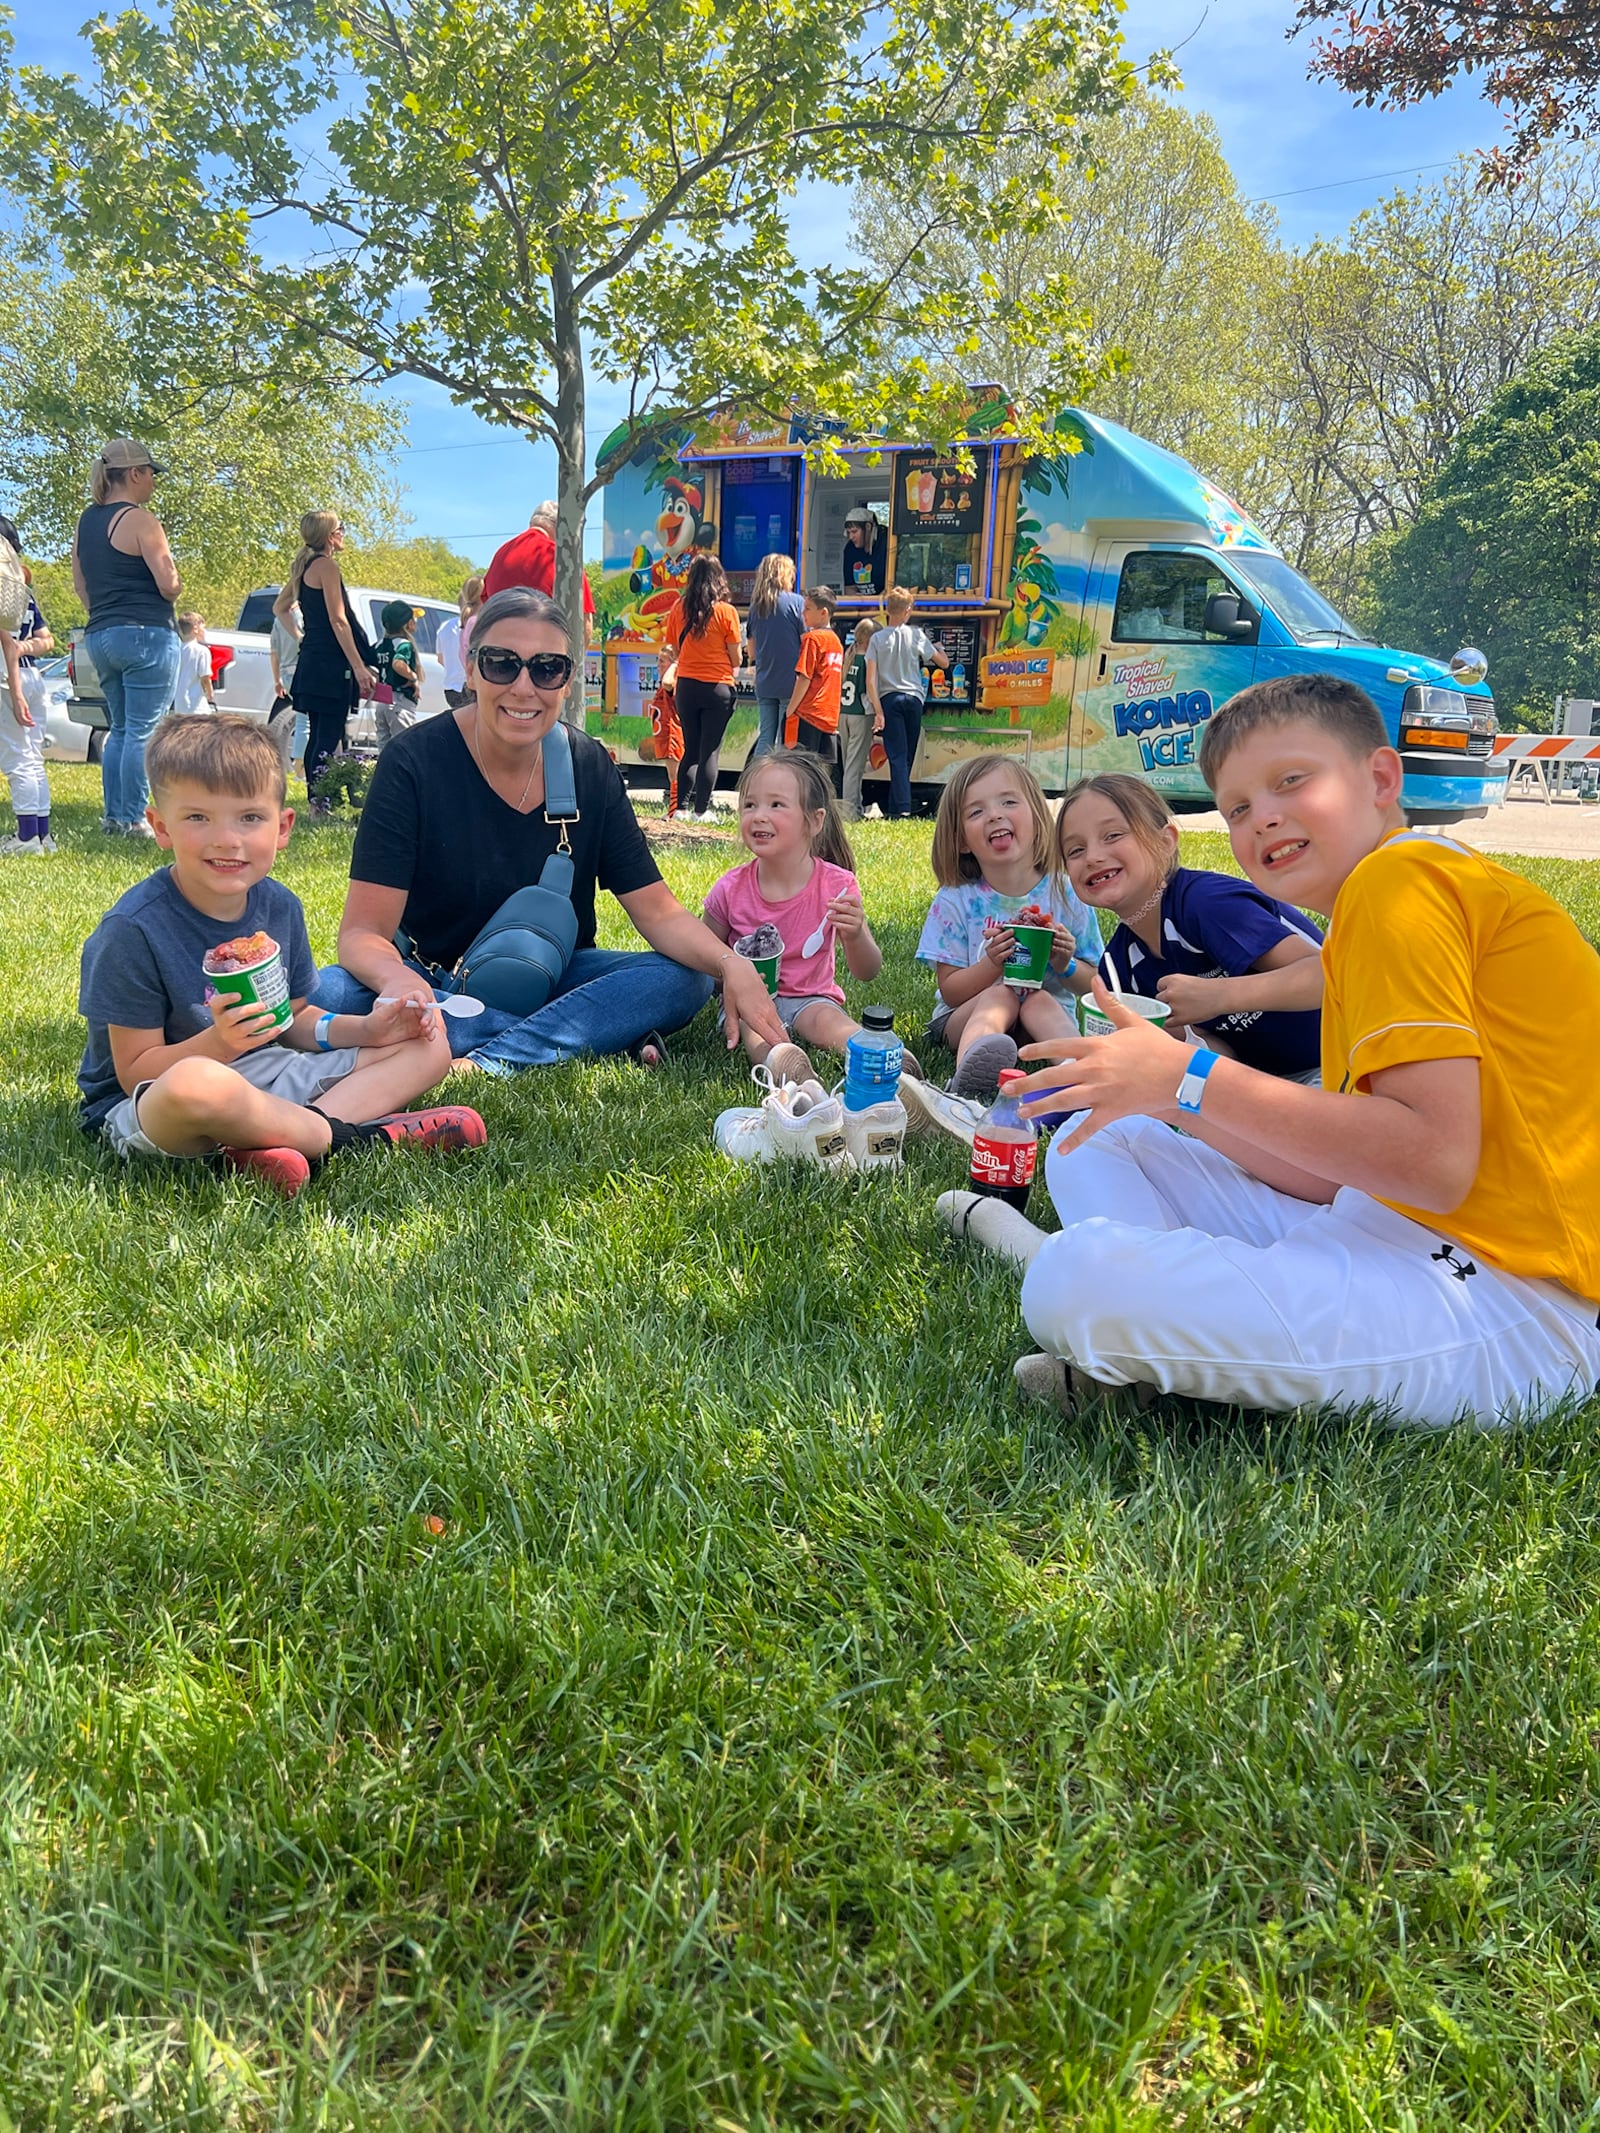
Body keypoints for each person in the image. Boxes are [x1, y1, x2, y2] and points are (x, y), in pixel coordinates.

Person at [952, 671, 1600, 1432]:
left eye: (1292, 780)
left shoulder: (1403, 882)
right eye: (1237, 808)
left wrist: (1190, 1080)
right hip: (1377, 1220)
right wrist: (1159, 1095)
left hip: (1514, 1294)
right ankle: (1158, 1329)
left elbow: (1437, 1160)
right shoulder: (1374, 911)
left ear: (1381, 777)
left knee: (1069, 1281)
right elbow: (1334, 1173)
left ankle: (1117, 1303)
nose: (1263, 819)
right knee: (1097, 1140)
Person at [308, 587, 788, 1075]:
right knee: (315, 991)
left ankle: (485, 1055)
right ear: (471, 668)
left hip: (552, 975)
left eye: (546, 668)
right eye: (501, 663)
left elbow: (659, 913)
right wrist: (395, 981)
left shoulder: (586, 766)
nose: (523, 687)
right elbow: (364, 933)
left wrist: (731, 964)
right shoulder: (413, 762)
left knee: (685, 980)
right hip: (430, 982)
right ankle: (575, 1033)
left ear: (567, 679)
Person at [75, 715, 485, 1200]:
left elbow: (293, 1021)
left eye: (249, 818)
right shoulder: (132, 930)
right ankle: (352, 1137)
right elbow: (135, 1071)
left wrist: (368, 1030)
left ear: (282, 827)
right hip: (152, 1102)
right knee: (197, 1084)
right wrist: (221, 1044)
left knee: (430, 1046)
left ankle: (265, 1143)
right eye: (198, 818)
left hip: (264, 1074)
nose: (227, 839)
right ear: (160, 827)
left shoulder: (279, 907)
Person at [1058, 773, 1324, 1076]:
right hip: (1264, 1086)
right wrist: (1182, 1041)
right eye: (1075, 850)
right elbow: (1225, 1060)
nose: (1092, 857)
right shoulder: (1119, 966)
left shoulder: (1207, 905)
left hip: (1345, 1060)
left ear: (1165, 841)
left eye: (1113, 835)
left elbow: (1329, 975)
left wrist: (1220, 996)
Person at [703, 750, 920, 1092]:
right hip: (751, 998)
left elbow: (868, 971)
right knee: (752, 1023)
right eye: (750, 805)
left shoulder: (837, 885)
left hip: (813, 998)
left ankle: (884, 1059)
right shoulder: (729, 889)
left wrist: (856, 933)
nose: (759, 815)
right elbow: (703, 959)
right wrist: (730, 977)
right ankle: (782, 1063)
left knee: (829, 1022)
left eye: (776, 805)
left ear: (814, 821)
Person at [917, 756, 1097, 1101]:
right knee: (1003, 993)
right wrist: (991, 965)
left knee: (1036, 998)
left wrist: (1065, 963)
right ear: (961, 840)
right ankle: (967, 1077)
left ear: (1036, 816)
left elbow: (1092, 986)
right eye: (976, 812)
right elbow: (951, 992)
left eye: (1009, 802)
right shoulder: (956, 899)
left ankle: (1077, 1074)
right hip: (963, 1018)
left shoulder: (1065, 893)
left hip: (1041, 1021)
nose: (995, 815)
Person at [72, 436, 182, 838]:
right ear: (135, 474)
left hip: (100, 633)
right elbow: (168, 584)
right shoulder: (140, 520)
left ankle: (114, 817)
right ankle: (135, 819)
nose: (153, 481)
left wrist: (103, 611)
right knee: (143, 730)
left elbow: (80, 584)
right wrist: (175, 581)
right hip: (146, 634)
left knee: (118, 729)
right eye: (151, 473)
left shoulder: (87, 521)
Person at [274, 510, 374, 806]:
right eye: (341, 528)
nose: (343, 533)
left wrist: (303, 637)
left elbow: (280, 609)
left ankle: (318, 800)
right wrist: (359, 667)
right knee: (328, 733)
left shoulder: (304, 566)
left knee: (319, 731)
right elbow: (339, 620)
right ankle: (321, 802)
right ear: (331, 535)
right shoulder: (327, 567)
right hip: (330, 662)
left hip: (312, 659)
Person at [667, 553, 743, 821]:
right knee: (710, 750)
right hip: (718, 688)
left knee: (690, 748)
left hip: (686, 686)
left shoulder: (678, 608)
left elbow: (676, 648)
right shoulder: (727, 612)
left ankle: (680, 809)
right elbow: (736, 658)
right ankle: (702, 810)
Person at [866, 588, 948, 819]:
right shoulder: (916, 635)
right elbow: (942, 664)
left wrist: (878, 711)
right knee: (907, 756)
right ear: (907, 611)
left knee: (897, 756)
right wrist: (940, 649)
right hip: (913, 699)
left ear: (887, 610)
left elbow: (871, 680)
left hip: (889, 699)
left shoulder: (877, 639)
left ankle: (900, 806)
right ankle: (899, 806)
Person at [0, 515, 56, 855]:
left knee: (17, 758)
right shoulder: (24, 591)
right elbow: (46, 640)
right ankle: (42, 834)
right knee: (33, 757)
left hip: (10, 680)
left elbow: (7, 644)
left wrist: (16, 689)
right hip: (33, 674)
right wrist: (25, 649)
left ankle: (26, 838)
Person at [483, 503, 595, 641]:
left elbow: (483, 610)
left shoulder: (501, 554)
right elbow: (584, 624)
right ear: (560, 527)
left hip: (500, 653)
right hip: (544, 654)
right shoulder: (563, 559)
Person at [745, 553, 807, 760]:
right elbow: (807, 641)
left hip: (765, 681)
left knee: (765, 737)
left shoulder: (756, 607)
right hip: (791, 682)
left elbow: (751, 651)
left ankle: (756, 781)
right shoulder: (797, 603)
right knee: (785, 739)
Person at [783, 585, 843, 755]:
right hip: (829, 716)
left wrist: (790, 710)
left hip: (808, 713)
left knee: (801, 769)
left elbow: (804, 677)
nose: (803, 614)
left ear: (823, 612)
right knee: (822, 771)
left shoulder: (812, 638)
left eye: (808, 609)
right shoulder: (836, 642)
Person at [837, 617, 879, 822]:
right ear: (870, 640)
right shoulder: (867, 661)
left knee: (848, 765)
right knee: (854, 767)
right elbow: (869, 690)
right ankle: (850, 812)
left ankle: (855, 806)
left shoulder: (850, 657)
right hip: (860, 715)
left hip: (843, 713)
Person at [369, 599, 423, 747]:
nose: (415, 621)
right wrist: (413, 678)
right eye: (413, 618)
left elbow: (363, 661)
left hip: (382, 699)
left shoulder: (380, 645)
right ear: (406, 623)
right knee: (404, 744)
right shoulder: (403, 644)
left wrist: (374, 676)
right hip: (399, 700)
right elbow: (398, 663)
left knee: (384, 744)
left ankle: (384, 770)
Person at [267, 597, 301, 771]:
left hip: (286, 671)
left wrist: (276, 679)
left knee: (300, 718)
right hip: (303, 669)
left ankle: (297, 764)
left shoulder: (279, 620)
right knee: (305, 720)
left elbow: (274, 653)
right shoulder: (302, 616)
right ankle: (301, 766)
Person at [437, 575, 481, 710]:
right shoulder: (477, 622)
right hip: (470, 687)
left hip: (451, 687)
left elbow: (440, 659)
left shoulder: (446, 626)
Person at [173, 612, 216, 717]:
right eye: (203, 627)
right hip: (197, 705)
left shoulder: (177, 649)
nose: (204, 631)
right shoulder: (202, 650)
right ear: (195, 629)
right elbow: (205, 676)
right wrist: (210, 693)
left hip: (179, 703)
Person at [841, 505, 887, 596]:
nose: (851, 537)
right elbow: (849, 588)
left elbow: (896, 587)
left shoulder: (887, 543)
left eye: (854, 532)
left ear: (868, 527)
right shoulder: (850, 549)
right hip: (863, 606)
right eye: (848, 533)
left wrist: (876, 604)